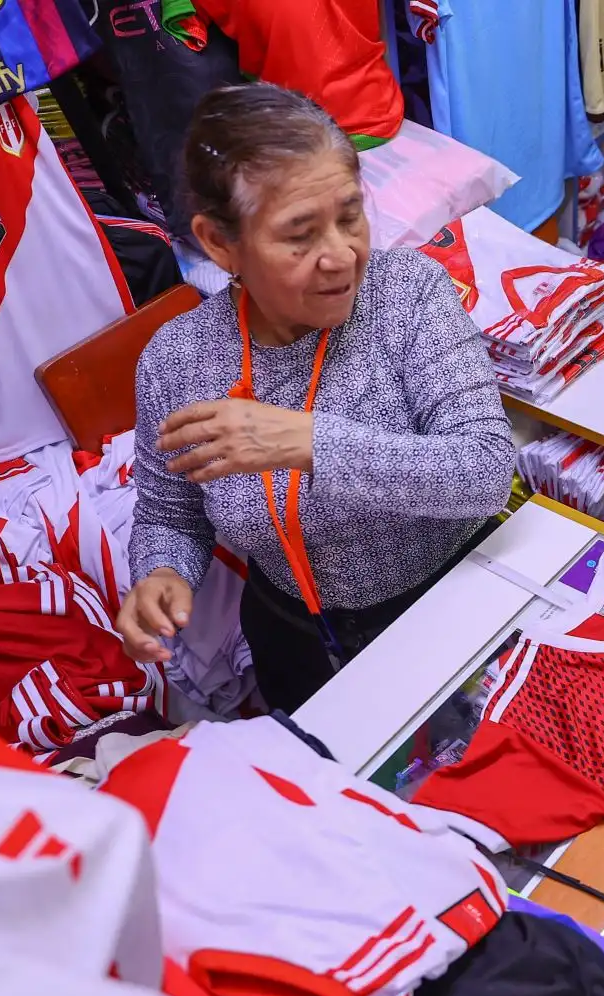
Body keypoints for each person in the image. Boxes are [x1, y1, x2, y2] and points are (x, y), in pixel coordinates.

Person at [115, 84, 514, 712]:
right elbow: (171, 514)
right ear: (219, 243)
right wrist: (162, 574)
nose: (341, 257)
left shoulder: (408, 297)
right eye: (300, 234)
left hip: (453, 602)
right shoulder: (178, 360)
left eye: (350, 216)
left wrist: (309, 440)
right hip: (293, 636)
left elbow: (486, 472)